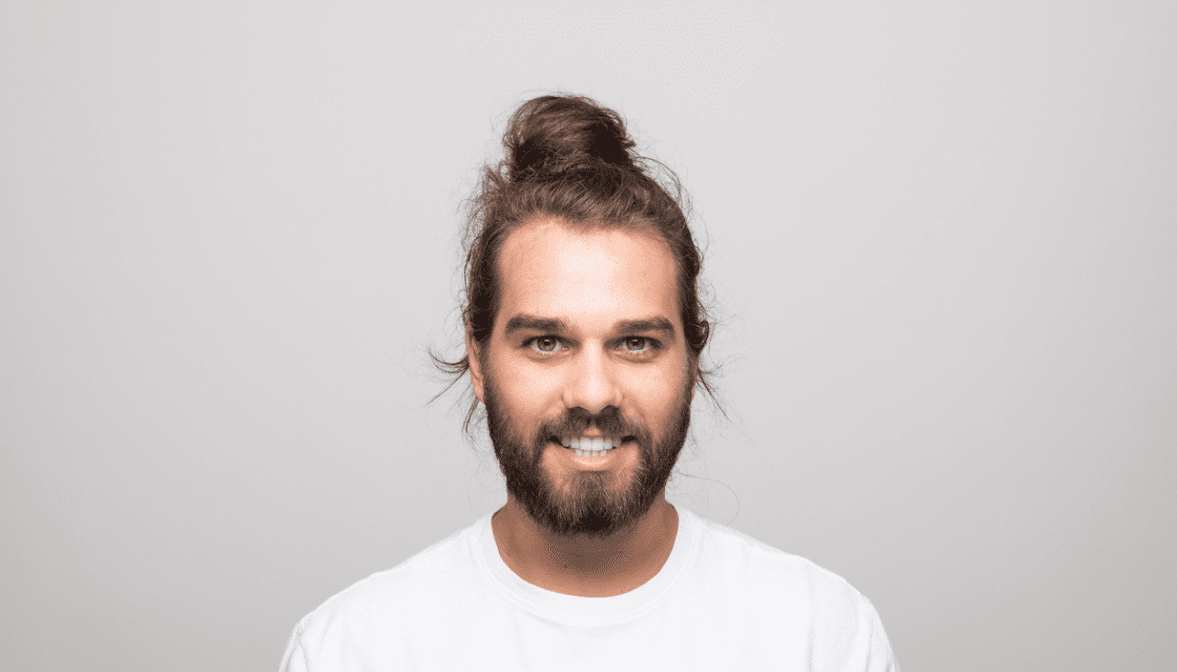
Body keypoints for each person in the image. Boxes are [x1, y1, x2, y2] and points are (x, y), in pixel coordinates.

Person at [279, 95, 900, 671]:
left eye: (636, 343)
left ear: (692, 361)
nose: (594, 393)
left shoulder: (821, 637)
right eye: (546, 343)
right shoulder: (353, 648)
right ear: (478, 360)